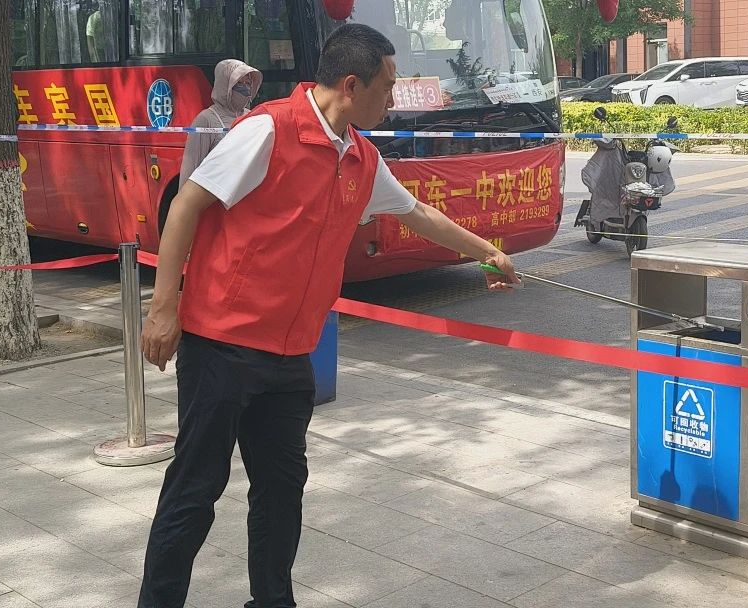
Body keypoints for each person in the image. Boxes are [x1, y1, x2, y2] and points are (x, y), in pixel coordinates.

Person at [137, 23, 519, 608]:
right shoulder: (267, 130)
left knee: (281, 492)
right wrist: (164, 308)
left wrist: (487, 252)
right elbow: (188, 203)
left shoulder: (360, 156)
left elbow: (417, 214)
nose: (393, 98)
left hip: (291, 355)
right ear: (351, 85)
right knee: (195, 490)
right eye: (387, 86)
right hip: (222, 346)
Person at [179, 59, 262, 183]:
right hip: (216, 192)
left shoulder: (251, 116)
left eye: (248, 83)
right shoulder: (206, 119)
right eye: (239, 83)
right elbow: (190, 168)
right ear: (225, 85)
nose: (245, 88)